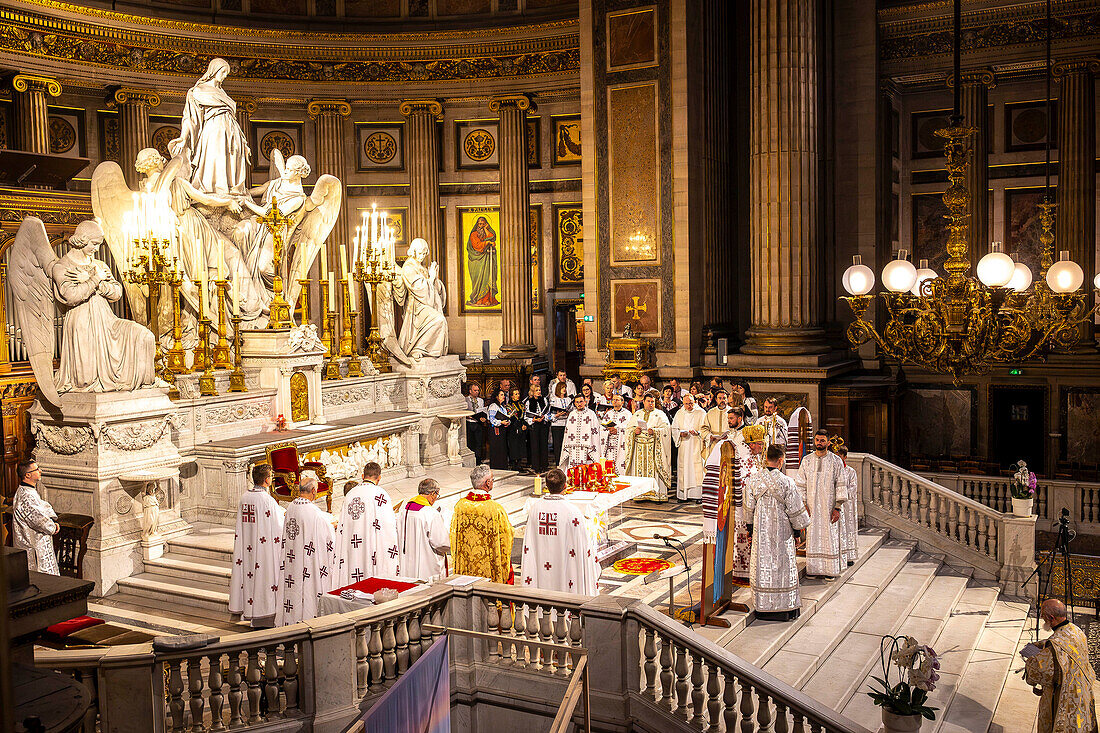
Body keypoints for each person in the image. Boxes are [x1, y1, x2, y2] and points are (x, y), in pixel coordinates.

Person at [744, 444, 812, 621]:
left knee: (763, 565)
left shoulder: (753, 480)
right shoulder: (787, 482)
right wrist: (798, 533)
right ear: (781, 460)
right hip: (783, 532)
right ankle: (785, 607)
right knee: (783, 566)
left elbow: (748, 509)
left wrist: (750, 529)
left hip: (761, 532)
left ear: (766, 458)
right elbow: (795, 510)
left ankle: (763, 606)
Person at [169, 57, 251, 195]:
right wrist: (183, 138)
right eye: (223, 72)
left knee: (232, 161)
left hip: (232, 131)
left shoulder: (223, 93)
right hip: (215, 130)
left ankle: (231, 191)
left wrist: (244, 142)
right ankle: (216, 192)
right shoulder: (198, 91)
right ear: (214, 70)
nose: (225, 76)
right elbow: (190, 118)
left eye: (227, 73)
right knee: (216, 160)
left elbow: (234, 119)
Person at [520, 468, 600, 594]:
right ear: (565, 486)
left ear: (546, 486)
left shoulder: (535, 509)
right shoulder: (572, 512)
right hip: (565, 571)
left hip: (541, 569)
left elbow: (530, 544)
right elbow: (583, 546)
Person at [1024, 598, 1098, 733]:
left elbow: (1038, 673)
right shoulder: (1076, 630)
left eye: (1043, 617)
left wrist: (1030, 659)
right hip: (1082, 693)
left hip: (1063, 698)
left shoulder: (1055, 645)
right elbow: (1064, 644)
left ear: (1051, 618)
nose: (1042, 619)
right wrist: (1044, 644)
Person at [274, 474, 337, 625]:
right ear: (314, 491)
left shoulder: (291, 508)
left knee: (293, 592)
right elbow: (326, 537)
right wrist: (333, 527)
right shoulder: (313, 512)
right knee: (307, 592)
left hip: (292, 559)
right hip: (307, 563)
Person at [229, 464, 286, 627]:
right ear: (267, 480)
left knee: (249, 578)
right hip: (263, 550)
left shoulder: (245, 497)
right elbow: (278, 527)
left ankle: (250, 611)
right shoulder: (267, 501)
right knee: (264, 579)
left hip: (247, 547)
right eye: (271, 476)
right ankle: (263, 615)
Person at [335, 462, 401, 585]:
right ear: (379, 477)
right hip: (372, 548)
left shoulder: (350, 495)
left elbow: (343, 526)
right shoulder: (380, 494)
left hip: (353, 547)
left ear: (362, 475)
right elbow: (388, 527)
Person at [795, 429, 848, 579]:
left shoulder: (836, 461)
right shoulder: (807, 460)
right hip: (811, 507)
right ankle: (814, 569)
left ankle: (829, 570)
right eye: (817, 440)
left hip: (829, 507)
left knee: (829, 537)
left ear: (828, 442)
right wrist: (803, 504)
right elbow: (800, 484)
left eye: (822, 440)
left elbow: (841, 484)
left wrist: (837, 507)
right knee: (813, 537)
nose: (819, 443)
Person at [450, 466, 514, 583]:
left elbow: (454, 535)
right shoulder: (494, 508)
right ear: (487, 483)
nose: (492, 482)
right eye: (492, 480)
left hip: (466, 565)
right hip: (487, 568)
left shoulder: (460, 505)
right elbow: (506, 535)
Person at [394, 238, 449, 360]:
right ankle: (418, 348)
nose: (422, 256)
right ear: (413, 252)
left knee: (441, 321)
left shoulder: (422, 268)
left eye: (424, 254)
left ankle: (429, 349)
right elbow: (419, 289)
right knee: (438, 320)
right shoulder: (408, 268)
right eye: (420, 253)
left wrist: (435, 279)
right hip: (416, 309)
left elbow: (434, 288)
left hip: (425, 306)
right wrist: (431, 278)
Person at [624, 390, 673, 502]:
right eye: (649, 401)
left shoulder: (660, 414)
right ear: (644, 402)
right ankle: (640, 494)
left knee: (654, 471)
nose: (651, 403)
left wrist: (655, 431)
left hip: (654, 448)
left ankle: (657, 494)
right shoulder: (637, 414)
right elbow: (628, 429)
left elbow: (666, 430)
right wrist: (634, 431)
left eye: (653, 401)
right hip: (639, 448)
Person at [397, 478, 450, 581]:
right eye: (437, 496)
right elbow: (441, 543)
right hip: (426, 567)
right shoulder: (430, 513)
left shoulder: (404, 510)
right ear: (433, 494)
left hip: (407, 564)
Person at [11, 459, 59, 575]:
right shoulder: (26, 496)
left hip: (37, 542)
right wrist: (53, 527)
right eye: (37, 469)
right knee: (42, 580)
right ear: (28, 475)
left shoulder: (28, 490)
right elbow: (38, 520)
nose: (40, 471)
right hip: (33, 546)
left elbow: (43, 506)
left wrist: (51, 516)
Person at [671, 393, 706, 501]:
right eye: (686, 404)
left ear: (694, 402)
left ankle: (698, 495)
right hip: (684, 446)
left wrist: (698, 433)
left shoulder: (701, 412)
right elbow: (674, 429)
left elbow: (706, 429)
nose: (688, 406)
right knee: (684, 468)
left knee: (697, 469)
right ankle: (683, 495)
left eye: (690, 403)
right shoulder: (679, 413)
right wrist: (680, 434)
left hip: (696, 444)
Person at [559, 393, 602, 470]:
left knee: (586, 469)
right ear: (574, 403)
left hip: (587, 447)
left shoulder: (591, 414)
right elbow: (567, 432)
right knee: (573, 469)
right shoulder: (572, 415)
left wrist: (593, 445)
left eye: (581, 401)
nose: (579, 404)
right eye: (577, 402)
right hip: (573, 446)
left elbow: (595, 431)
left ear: (585, 402)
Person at [465, 215, 499, 306]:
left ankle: (487, 299)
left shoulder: (486, 232)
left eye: (483, 224)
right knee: (478, 280)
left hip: (487, 259)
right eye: (480, 224)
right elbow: (477, 246)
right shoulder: (474, 234)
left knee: (488, 277)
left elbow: (492, 237)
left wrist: (486, 229)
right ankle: (478, 299)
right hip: (476, 261)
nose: (481, 225)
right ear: (477, 224)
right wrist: (487, 242)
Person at [834, 445, 859, 566]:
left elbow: (853, 489)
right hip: (834, 504)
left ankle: (848, 555)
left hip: (846, 505)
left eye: (839, 456)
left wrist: (840, 495)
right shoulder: (832, 470)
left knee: (847, 529)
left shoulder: (850, 472)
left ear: (845, 457)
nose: (837, 459)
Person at [548, 370, 577, 465]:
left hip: (567, 424)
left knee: (566, 444)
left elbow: (573, 410)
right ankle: (558, 463)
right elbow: (549, 415)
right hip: (557, 424)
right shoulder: (554, 400)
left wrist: (569, 414)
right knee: (558, 445)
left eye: (565, 388)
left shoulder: (569, 399)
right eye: (562, 388)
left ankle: (567, 462)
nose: (564, 389)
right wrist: (557, 415)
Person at [600, 392, 633, 475]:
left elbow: (630, 429)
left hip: (621, 445)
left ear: (622, 402)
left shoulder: (627, 414)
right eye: (613, 400)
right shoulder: (608, 414)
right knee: (609, 466)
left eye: (617, 400)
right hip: (609, 444)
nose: (615, 401)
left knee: (621, 465)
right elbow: (602, 427)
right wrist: (608, 430)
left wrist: (618, 430)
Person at [524, 381, 550, 473]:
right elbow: (526, 416)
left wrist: (544, 417)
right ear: (532, 392)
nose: (539, 392)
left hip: (543, 424)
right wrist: (534, 420)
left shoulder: (544, 400)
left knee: (543, 445)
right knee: (535, 446)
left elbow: (548, 412)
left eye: (539, 390)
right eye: (537, 390)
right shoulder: (528, 401)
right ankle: (536, 466)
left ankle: (544, 465)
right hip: (534, 425)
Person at [700, 389, 731, 462]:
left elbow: (736, 429)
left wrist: (729, 437)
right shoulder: (711, 412)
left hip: (728, 445)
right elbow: (704, 428)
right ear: (716, 400)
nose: (722, 400)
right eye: (720, 398)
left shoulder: (732, 412)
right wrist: (710, 436)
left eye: (724, 398)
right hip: (714, 445)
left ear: (727, 399)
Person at [486, 389, 512, 470]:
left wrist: (508, 422)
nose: (503, 396)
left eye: (504, 395)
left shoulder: (503, 407)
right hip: (495, 431)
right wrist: (501, 422)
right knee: (497, 449)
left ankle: (503, 466)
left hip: (502, 430)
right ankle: (496, 467)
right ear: (497, 397)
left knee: (503, 449)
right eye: (501, 395)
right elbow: (492, 419)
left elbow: (507, 417)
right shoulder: (493, 406)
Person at [465, 383, 488, 465]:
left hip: (478, 424)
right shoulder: (465, 400)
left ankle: (478, 460)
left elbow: (482, 411)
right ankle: (471, 461)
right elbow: (463, 412)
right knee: (470, 443)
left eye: (478, 390)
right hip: (469, 423)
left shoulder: (481, 400)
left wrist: (483, 418)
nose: (477, 392)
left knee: (479, 443)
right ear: (470, 391)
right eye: (475, 390)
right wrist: (469, 416)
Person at [506, 387, 527, 471]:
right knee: (514, 446)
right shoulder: (509, 405)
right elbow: (511, 418)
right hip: (513, 428)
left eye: (518, 394)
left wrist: (524, 425)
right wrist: (518, 426)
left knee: (520, 446)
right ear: (511, 396)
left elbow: (524, 416)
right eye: (515, 394)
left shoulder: (521, 404)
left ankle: (519, 464)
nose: (517, 396)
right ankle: (514, 464)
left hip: (521, 427)